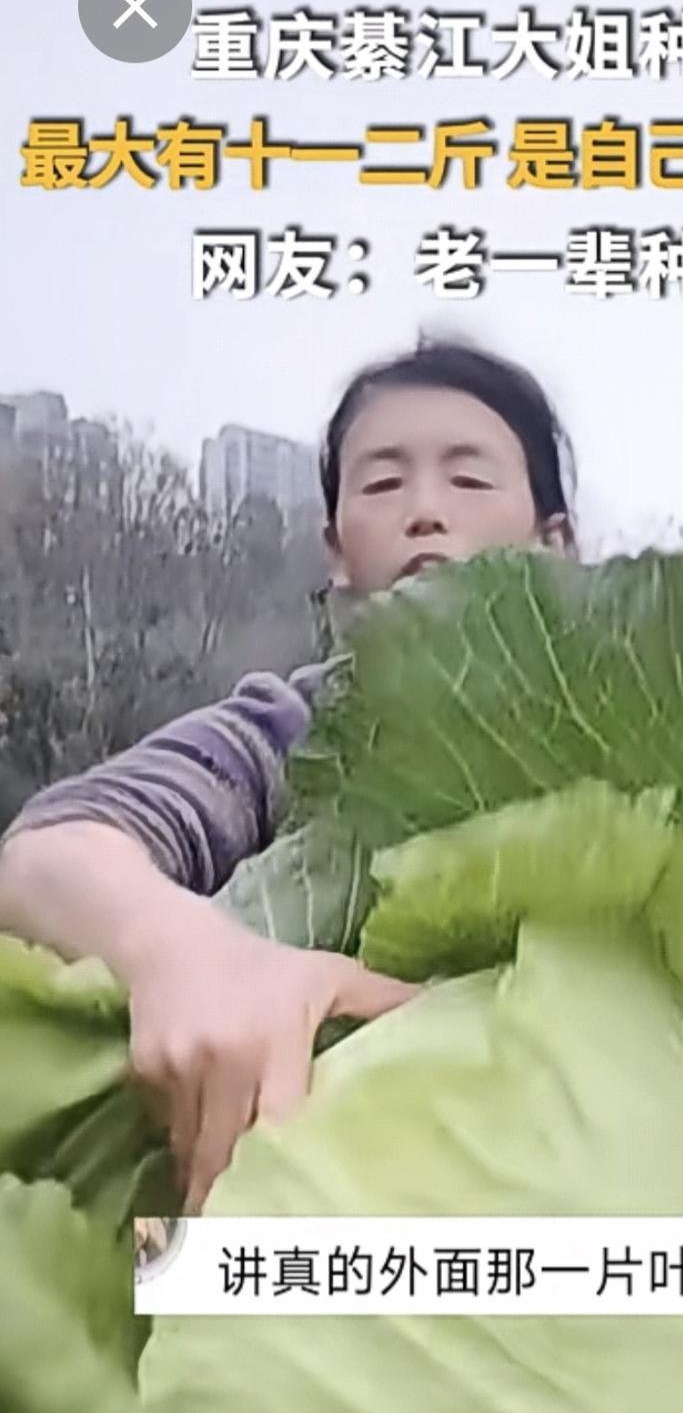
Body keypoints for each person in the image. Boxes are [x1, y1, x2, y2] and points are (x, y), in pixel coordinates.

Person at [0, 338, 576, 1212]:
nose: (425, 512)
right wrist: (188, 954)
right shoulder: (290, 731)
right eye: (382, 484)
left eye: (468, 479)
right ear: (337, 550)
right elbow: (50, 853)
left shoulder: (666, 733)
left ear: (554, 542)